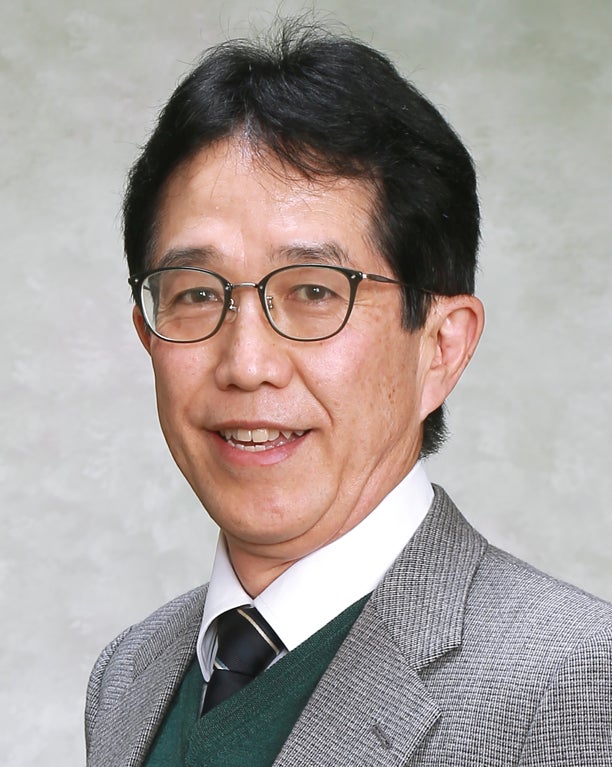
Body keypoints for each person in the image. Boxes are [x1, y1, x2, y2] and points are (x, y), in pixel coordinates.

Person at [85, 20, 612, 767]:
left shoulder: (576, 680)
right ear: (148, 333)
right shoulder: (127, 676)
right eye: (197, 293)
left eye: (313, 291)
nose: (247, 363)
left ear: (441, 346)